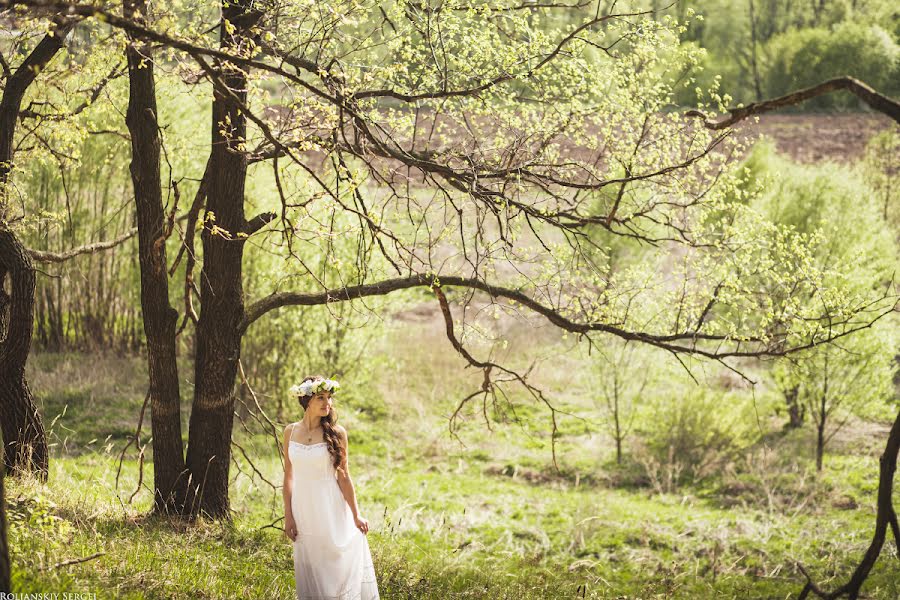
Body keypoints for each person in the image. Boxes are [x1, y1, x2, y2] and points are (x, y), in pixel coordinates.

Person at [282, 375, 380, 600]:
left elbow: (344, 476)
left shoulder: (337, 433)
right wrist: (289, 515)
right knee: (311, 562)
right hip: (303, 507)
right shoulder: (290, 431)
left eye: (329, 398)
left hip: (330, 505)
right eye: (321, 398)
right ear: (307, 400)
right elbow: (288, 476)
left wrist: (357, 515)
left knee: (333, 564)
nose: (328, 403)